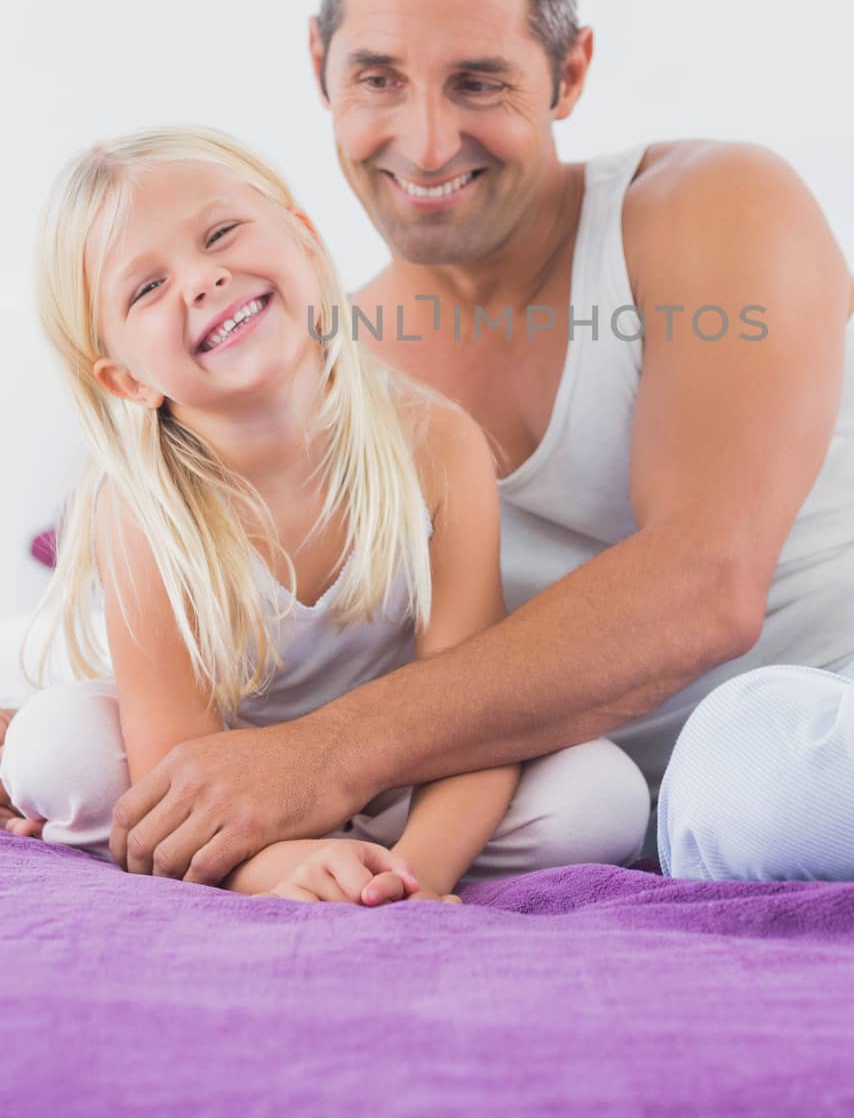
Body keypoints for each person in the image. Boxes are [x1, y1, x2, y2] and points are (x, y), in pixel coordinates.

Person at [5, 0, 854, 885]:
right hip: (755, 794)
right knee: (739, 784)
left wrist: (321, 757)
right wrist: (60, 752)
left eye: (478, 82)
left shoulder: (702, 206)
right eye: (377, 79)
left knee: (756, 754)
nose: (424, 143)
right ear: (318, 64)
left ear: (568, 71)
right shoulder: (311, 374)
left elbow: (704, 585)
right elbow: (236, 628)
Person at [0, 124, 651, 898]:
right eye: (146, 288)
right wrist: (281, 870)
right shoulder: (142, 511)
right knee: (55, 752)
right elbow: (175, 761)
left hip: (401, 761)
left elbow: (471, 707)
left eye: (220, 233)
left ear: (305, 241)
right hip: (221, 784)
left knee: (603, 797)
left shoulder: (434, 444)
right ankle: (292, 865)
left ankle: (354, 862)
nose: (203, 279)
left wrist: (415, 877)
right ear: (127, 381)